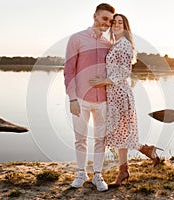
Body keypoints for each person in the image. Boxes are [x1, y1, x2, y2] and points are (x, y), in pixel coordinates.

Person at [89, 13, 162, 187]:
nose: (116, 25)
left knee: (121, 133)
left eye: (120, 22)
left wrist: (104, 81)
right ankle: (146, 152)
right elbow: (113, 68)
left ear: (125, 26)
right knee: (120, 133)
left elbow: (124, 72)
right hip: (112, 94)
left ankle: (124, 171)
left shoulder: (125, 45)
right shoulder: (115, 44)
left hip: (121, 95)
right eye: (114, 22)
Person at [63, 3, 115, 192]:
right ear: (95, 16)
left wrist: (106, 82)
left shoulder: (109, 44)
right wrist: (72, 98)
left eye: (110, 20)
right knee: (80, 138)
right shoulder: (76, 39)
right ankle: (81, 172)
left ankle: (98, 175)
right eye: (104, 19)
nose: (107, 23)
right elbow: (69, 71)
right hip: (81, 100)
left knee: (100, 139)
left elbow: (115, 72)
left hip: (103, 101)